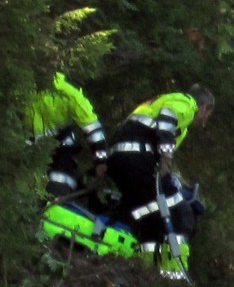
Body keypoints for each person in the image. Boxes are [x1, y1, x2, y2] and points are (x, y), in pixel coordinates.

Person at [106, 85, 214, 271]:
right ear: (204, 107)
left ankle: (145, 270)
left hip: (121, 160)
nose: (204, 122)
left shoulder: (162, 103)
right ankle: (174, 274)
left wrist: (171, 173)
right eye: (207, 116)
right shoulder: (187, 103)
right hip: (136, 159)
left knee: (149, 217)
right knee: (181, 214)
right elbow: (167, 117)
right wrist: (166, 156)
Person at [25, 71, 109, 200]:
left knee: (56, 193)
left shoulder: (68, 92)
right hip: (21, 152)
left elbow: (92, 128)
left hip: (60, 152)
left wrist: (101, 160)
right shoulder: (16, 81)